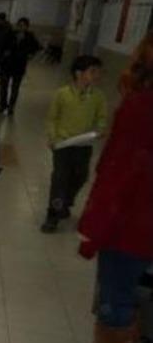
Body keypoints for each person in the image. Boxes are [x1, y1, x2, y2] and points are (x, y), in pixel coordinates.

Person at [67, 32, 153, 343]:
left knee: (113, 299)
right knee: (129, 293)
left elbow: (119, 175)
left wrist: (95, 229)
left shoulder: (141, 108)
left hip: (130, 224)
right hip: (143, 223)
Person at [40, 55, 107, 233]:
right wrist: (53, 137)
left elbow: (102, 118)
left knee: (81, 176)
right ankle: (52, 215)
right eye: (92, 71)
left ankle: (66, 201)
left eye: (98, 72)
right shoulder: (62, 94)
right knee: (59, 179)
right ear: (79, 73)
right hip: (63, 145)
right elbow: (52, 118)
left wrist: (100, 129)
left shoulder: (98, 97)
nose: (97, 75)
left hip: (84, 145)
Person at [0, 17, 41, 115]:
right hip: (7, 64)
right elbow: (2, 45)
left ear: (27, 27)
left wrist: (30, 54)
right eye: (19, 25)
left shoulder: (29, 36)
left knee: (15, 88)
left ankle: (11, 107)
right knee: (3, 86)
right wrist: (4, 53)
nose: (21, 28)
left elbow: (37, 47)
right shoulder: (10, 34)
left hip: (19, 65)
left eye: (23, 26)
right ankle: (2, 105)